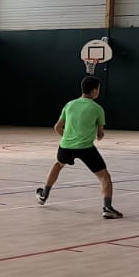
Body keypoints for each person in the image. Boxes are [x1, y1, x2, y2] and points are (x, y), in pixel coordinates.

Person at [36, 75, 122, 218]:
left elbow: (57, 127)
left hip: (66, 146)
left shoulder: (69, 105)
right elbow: (100, 134)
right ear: (94, 91)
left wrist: (67, 137)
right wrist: (99, 135)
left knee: (58, 165)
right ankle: (107, 208)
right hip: (86, 148)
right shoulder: (97, 109)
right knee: (104, 177)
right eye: (98, 89)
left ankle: (44, 195)